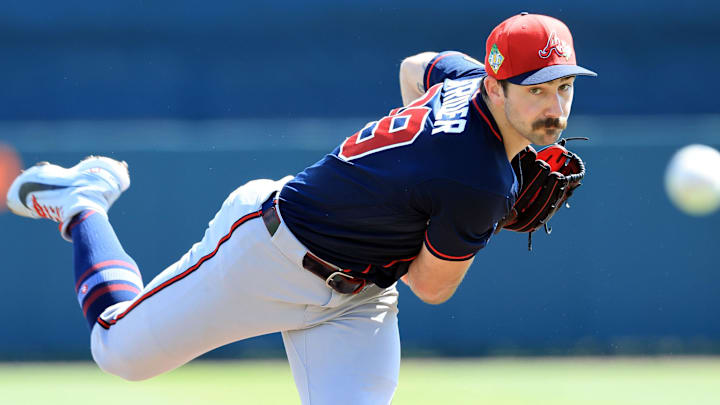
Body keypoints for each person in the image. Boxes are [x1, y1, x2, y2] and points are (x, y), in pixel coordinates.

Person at [6, 12, 596, 405]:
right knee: (118, 353)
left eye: (563, 86)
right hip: (272, 253)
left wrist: (417, 172)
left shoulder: (468, 80)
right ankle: (82, 202)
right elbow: (431, 287)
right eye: (536, 88)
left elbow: (415, 66)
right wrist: (472, 203)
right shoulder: (479, 182)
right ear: (496, 88)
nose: (554, 105)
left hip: (359, 297)